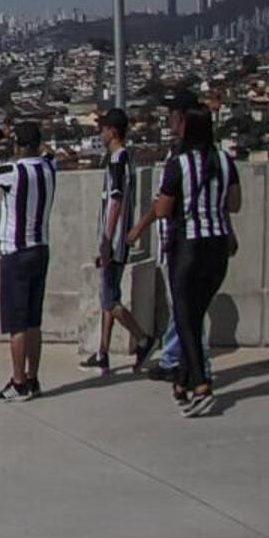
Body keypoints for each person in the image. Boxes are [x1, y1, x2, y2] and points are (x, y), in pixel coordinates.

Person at [154, 97, 239, 418]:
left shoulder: (179, 164)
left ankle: (200, 384)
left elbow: (162, 209)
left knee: (187, 317)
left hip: (187, 245)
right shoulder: (224, 160)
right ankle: (184, 379)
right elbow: (234, 203)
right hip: (217, 246)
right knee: (195, 312)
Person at [0, 118, 57, 403]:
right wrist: (20, 135)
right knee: (33, 320)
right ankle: (33, 377)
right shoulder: (48, 167)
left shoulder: (15, 171)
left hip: (16, 253)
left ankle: (19, 381)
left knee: (17, 323)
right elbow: (49, 151)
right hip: (40, 249)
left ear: (19, 146)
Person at [82, 106, 157, 374]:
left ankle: (143, 338)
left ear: (112, 131)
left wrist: (106, 240)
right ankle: (102, 351)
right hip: (119, 241)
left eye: (102, 129)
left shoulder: (117, 160)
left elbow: (115, 200)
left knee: (109, 300)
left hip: (114, 242)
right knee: (109, 296)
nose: (100, 133)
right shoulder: (126, 160)